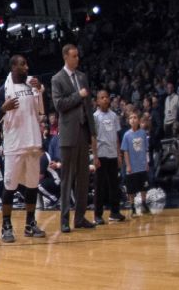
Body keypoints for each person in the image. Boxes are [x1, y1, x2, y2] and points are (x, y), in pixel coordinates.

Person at [0, 54, 47, 242]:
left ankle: (30, 224)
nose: (27, 67)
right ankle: (6, 225)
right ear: (13, 67)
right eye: (22, 64)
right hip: (14, 145)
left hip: (32, 143)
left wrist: (39, 90)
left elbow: (41, 111)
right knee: (10, 187)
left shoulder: (32, 88)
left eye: (26, 64)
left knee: (32, 186)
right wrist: (3, 109)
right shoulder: (2, 91)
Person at [51, 43, 96, 232]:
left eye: (78, 56)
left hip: (83, 132)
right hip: (68, 134)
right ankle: (64, 219)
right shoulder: (57, 79)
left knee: (83, 178)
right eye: (74, 56)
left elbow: (88, 108)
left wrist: (93, 132)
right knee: (67, 178)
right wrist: (78, 95)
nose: (77, 59)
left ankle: (80, 217)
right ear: (66, 57)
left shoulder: (82, 77)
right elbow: (59, 104)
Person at [91, 89, 125, 224]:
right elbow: (93, 137)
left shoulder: (114, 116)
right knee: (99, 186)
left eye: (106, 97)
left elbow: (116, 137)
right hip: (101, 154)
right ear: (98, 101)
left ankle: (114, 212)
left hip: (112, 155)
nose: (105, 99)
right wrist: (95, 156)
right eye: (102, 97)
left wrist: (119, 155)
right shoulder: (95, 116)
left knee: (114, 185)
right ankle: (97, 215)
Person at [121, 112, 150, 215]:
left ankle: (144, 203)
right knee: (131, 189)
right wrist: (128, 165)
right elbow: (125, 151)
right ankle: (132, 205)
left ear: (138, 120)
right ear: (129, 121)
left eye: (135, 117)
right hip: (132, 167)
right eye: (131, 118)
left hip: (142, 165)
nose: (133, 119)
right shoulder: (126, 135)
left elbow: (146, 149)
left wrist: (147, 162)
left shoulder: (143, 133)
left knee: (143, 186)